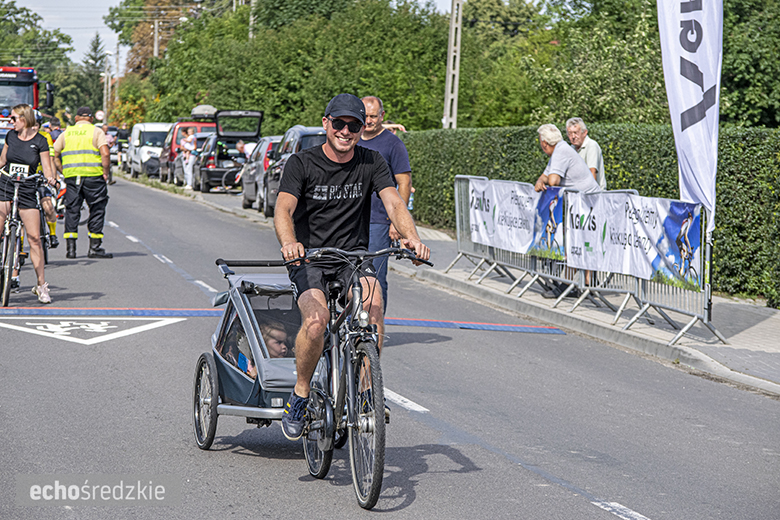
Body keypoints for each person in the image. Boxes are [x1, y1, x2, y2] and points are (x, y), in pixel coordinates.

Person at [274, 93, 430, 441]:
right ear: (326, 123)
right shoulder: (302, 163)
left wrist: (412, 238)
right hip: (309, 257)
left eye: (354, 125)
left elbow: (393, 202)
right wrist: (289, 243)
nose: (346, 131)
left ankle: (364, 393)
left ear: (362, 129)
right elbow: (283, 209)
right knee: (316, 324)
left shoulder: (371, 162)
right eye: (340, 123)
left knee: (373, 301)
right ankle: (299, 397)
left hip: (352, 257)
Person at [0, 104, 58, 303]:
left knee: (34, 238)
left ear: (24, 119)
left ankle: (41, 285)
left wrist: (51, 179)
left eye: (14, 118)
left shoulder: (41, 141)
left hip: (27, 188)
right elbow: (2, 161)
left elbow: (48, 168)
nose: (11, 122)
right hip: (6, 185)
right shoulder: (10, 137)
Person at [359, 96, 412, 311]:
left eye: (374, 116)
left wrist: (396, 222)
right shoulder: (350, 138)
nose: (369, 121)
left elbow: (404, 183)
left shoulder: (393, 144)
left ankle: (374, 331)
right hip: (349, 219)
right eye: (366, 116)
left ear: (382, 116)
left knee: (375, 278)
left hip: (378, 221)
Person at [53, 106, 113, 259]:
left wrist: (62, 170)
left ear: (76, 118)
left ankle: (71, 250)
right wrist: (105, 173)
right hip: (94, 177)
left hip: (72, 177)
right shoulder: (96, 131)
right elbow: (105, 153)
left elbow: (54, 153)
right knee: (97, 210)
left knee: (72, 210)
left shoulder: (67, 133)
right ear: (91, 119)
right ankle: (94, 248)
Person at [534, 124, 600, 194]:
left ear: (545, 143)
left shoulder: (560, 151)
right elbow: (545, 176)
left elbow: (553, 182)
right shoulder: (559, 148)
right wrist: (540, 181)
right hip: (585, 199)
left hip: (590, 200)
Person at [33, 111, 59, 249]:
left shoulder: (45, 136)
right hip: (25, 179)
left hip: (40, 177)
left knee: (48, 206)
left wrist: (52, 179)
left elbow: (50, 159)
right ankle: (19, 247)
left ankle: (53, 234)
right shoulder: (18, 136)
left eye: (37, 125)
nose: (34, 128)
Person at [566, 117, 605, 190]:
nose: (573, 136)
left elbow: (592, 172)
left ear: (584, 133)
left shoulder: (591, 145)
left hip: (593, 195)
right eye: (570, 133)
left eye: (576, 133)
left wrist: (591, 196)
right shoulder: (571, 149)